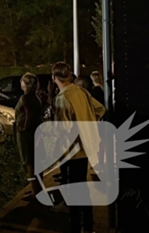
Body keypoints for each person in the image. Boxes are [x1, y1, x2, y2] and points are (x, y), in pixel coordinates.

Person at [50, 62, 106, 233]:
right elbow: (100, 109)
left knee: (73, 191)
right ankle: (88, 227)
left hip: (71, 149)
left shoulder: (62, 98)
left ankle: (76, 227)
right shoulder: (81, 91)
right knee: (83, 187)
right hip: (86, 145)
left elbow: (63, 128)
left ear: (54, 78)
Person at [14, 73, 42, 201]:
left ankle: (35, 192)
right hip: (36, 131)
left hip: (27, 134)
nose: (20, 83)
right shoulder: (35, 97)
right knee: (36, 161)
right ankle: (37, 188)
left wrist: (23, 127)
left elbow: (28, 114)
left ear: (25, 84)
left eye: (22, 81)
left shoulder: (25, 98)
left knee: (29, 162)